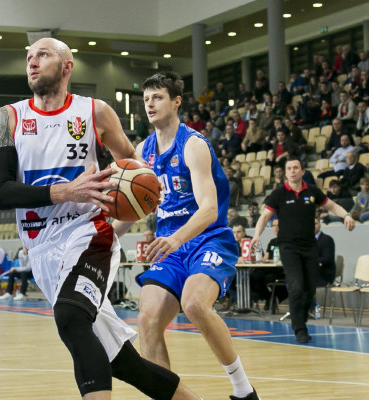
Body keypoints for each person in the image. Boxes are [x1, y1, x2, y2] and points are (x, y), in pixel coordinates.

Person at [0, 40, 200, 400]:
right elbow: (0, 192)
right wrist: (64, 191)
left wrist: (140, 192)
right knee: (124, 363)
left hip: (88, 235)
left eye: (42, 55)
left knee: (70, 319)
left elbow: (132, 163)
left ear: (67, 67)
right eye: (28, 58)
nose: (32, 63)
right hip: (40, 248)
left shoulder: (95, 112)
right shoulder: (5, 118)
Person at [133, 71, 259, 400]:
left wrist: (175, 239)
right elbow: (129, 208)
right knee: (146, 322)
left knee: (194, 304)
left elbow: (208, 209)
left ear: (176, 101)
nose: (150, 104)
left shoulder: (193, 145)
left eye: (157, 97)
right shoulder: (141, 152)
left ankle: (243, 389)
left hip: (209, 237)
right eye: (146, 99)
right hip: (170, 246)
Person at [252, 157, 355, 343]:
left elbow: (331, 206)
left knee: (309, 289)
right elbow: (265, 215)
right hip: (289, 247)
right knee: (297, 287)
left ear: (302, 171)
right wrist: (257, 235)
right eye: (289, 168)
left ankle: (302, 315)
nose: (292, 171)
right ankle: (300, 329)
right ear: (286, 172)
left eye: (296, 168)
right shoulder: (279, 193)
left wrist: (346, 215)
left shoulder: (313, 192)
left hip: (309, 247)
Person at [250, 219, 286, 311]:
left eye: (278, 225)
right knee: (253, 275)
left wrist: (270, 260)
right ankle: (268, 297)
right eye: (273, 225)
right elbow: (266, 257)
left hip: (281, 271)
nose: (276, 228)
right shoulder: (272, 241)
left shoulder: (288, 241)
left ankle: (269, 298)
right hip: (270, 269)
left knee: (261, 278)